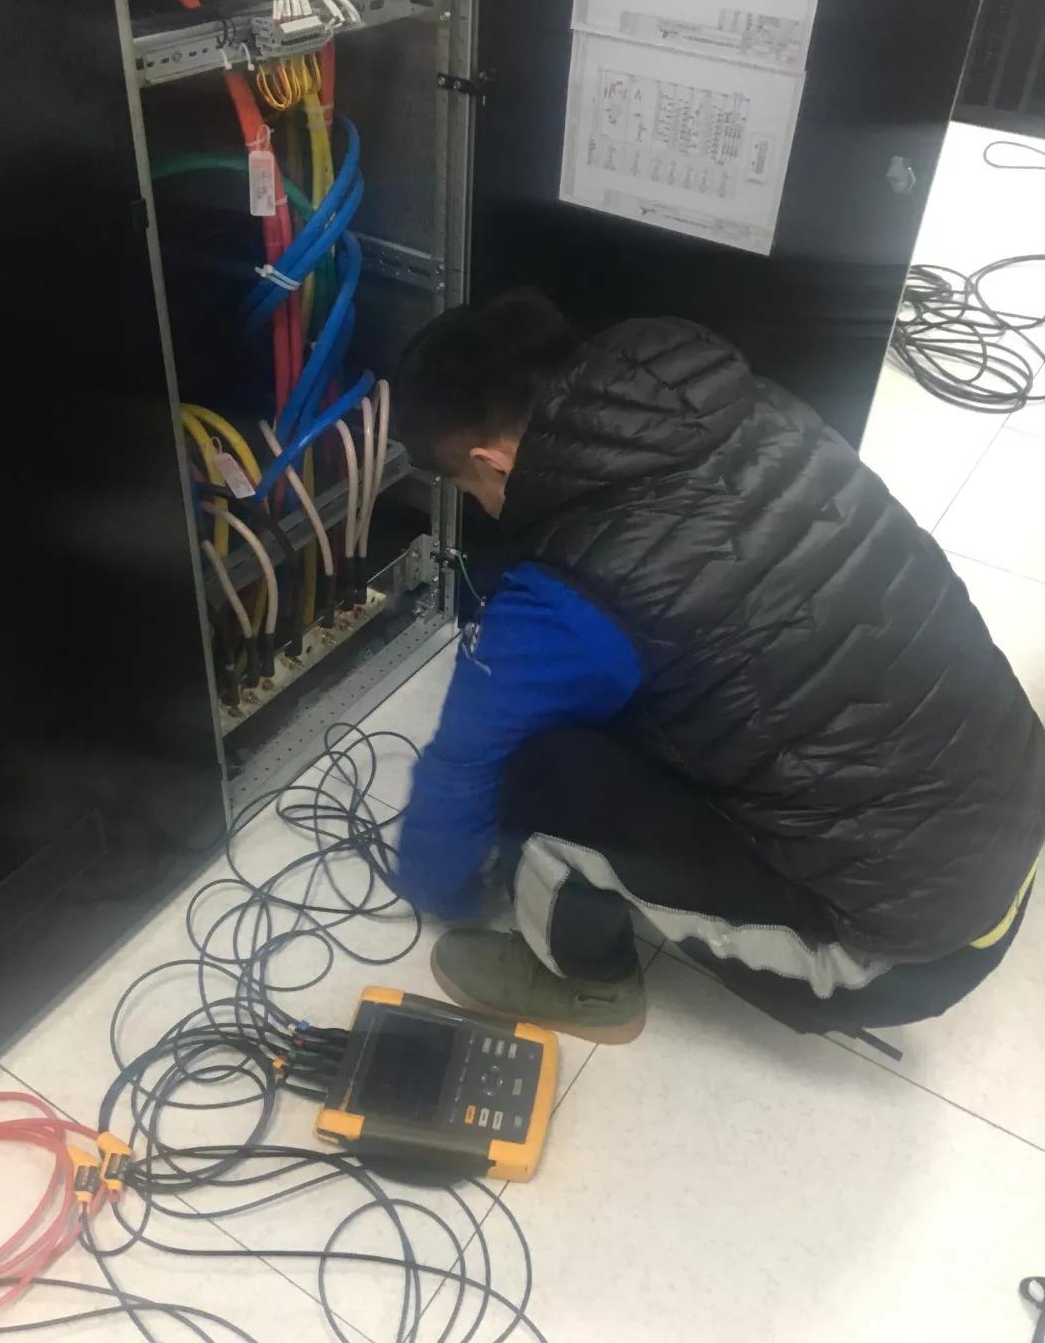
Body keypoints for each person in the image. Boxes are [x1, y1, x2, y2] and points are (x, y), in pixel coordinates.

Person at [391, 291, 1045, 1045]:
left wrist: (436, 891)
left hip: (902, 952)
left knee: (544, 774)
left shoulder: (566, 594)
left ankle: (586, 986)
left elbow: (464, 765)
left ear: (491, 461)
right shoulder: (753, 408)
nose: (483, 505)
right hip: (1012, 817)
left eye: (471, 490)